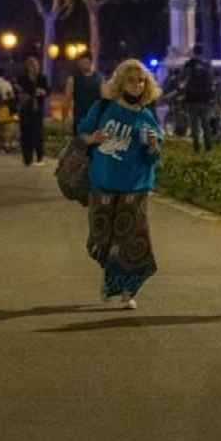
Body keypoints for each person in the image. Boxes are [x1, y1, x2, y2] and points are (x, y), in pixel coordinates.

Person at [77, 59, 164, 309]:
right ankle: (109, 279)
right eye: (131, 80)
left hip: (135, 187)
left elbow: (154, 157)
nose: (136, 85)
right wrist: (92, 138)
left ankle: (128, 289)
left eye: (141, 81)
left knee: (131, 239)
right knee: (101, 239)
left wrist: (152, 145)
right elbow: (81, 134)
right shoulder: (104, 108)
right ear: (120, 82)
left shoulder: (147, 117)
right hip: (103, 183)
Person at [179, 45, 217, 153]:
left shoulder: (189, 64)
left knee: (194, 125)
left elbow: (182, 79)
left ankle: (196, 149)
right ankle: (208, 147)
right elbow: (211, 80)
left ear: (193, 52)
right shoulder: (207, 64)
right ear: (202, 52)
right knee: (205, 124)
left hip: (192, 99)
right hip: (205, 99)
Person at [15, 57, 50, 165]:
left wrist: (43, 92)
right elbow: (18, 91)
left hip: (37, 109)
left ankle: (39, 157)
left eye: (35, 65)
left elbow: (48, 90)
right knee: (25, 134)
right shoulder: (22, 78)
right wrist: (24, 95)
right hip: (25, 109)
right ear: (27, 67)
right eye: (31, 65)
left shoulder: (42, 78)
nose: (34, 67)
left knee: (38, 133)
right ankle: (27, 159)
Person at [65, 53, 105, 131]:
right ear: (79, 63)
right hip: (79, 119)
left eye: (87, 62)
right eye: (83, 62)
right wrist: (66, 118)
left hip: (95, 119)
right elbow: (67, 100)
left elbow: (104, 100)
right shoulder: (73, 79)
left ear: (91, 62)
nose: (85, 64)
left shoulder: (100, 79)